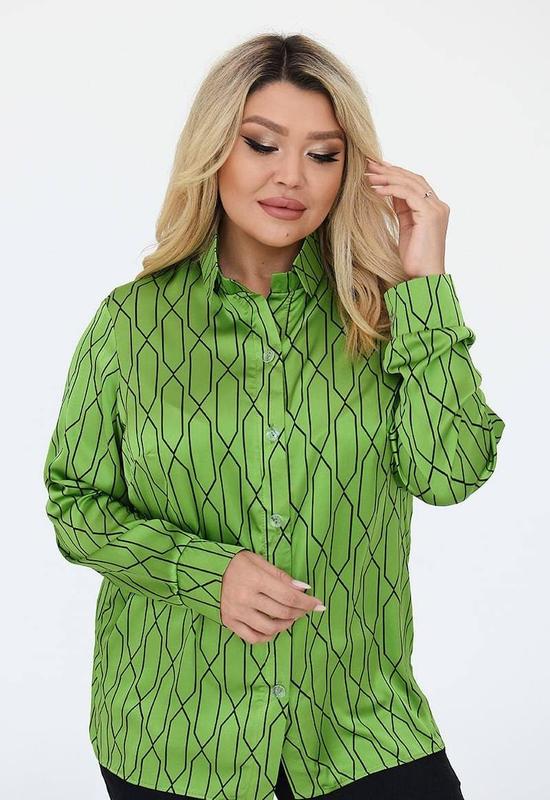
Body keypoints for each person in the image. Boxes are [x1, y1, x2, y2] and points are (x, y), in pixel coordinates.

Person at [43, 32, 505, 800]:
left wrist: (424, 283)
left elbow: (451, 473)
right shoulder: (129, 324)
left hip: (361, 732)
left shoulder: (383, 318)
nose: (292, 175)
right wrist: (205, 574)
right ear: (214, 150)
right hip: (176, 739)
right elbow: (75, 505)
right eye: (262, 144)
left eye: (323, 155)